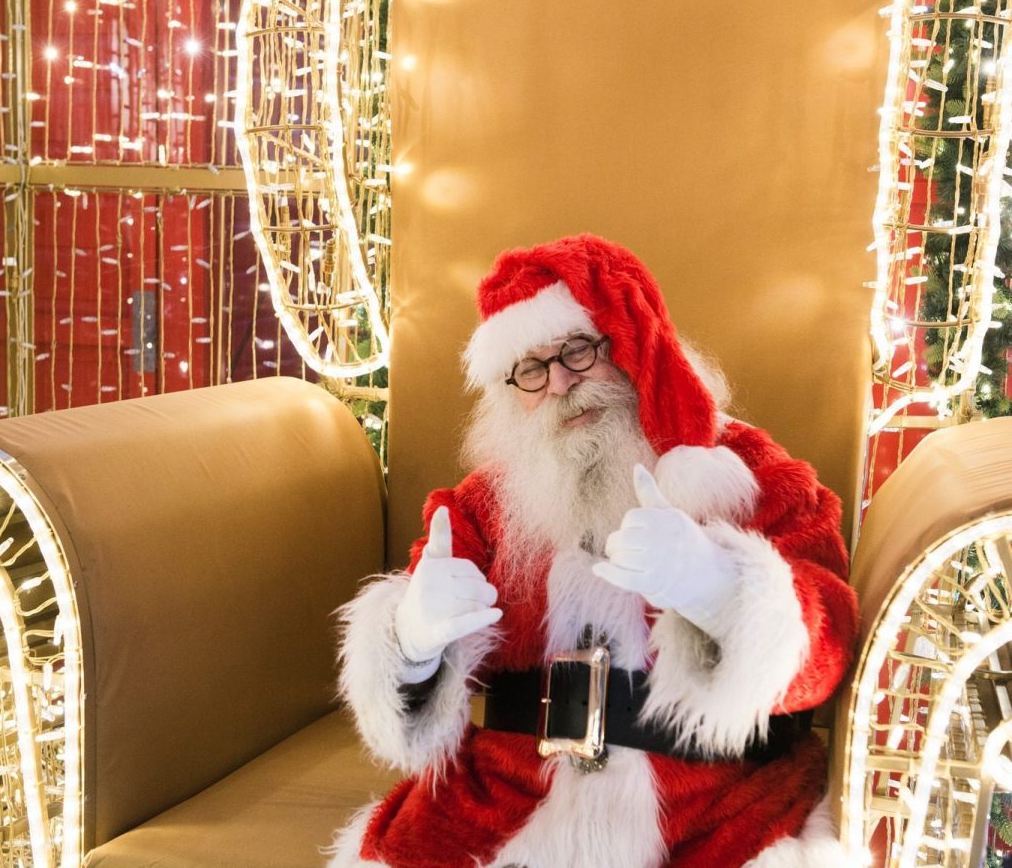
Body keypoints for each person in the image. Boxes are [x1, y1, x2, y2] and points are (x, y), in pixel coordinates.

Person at [330, 233, 858, 868]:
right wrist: (410, 638)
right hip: (513, 798)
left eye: (577, 352)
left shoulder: (748, 472)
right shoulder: (483, 504)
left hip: (711, 803)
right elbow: (403, 705)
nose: (558, 383)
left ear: (634, 346)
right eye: (530, 368)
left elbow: (827, 648)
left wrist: (716, 586)